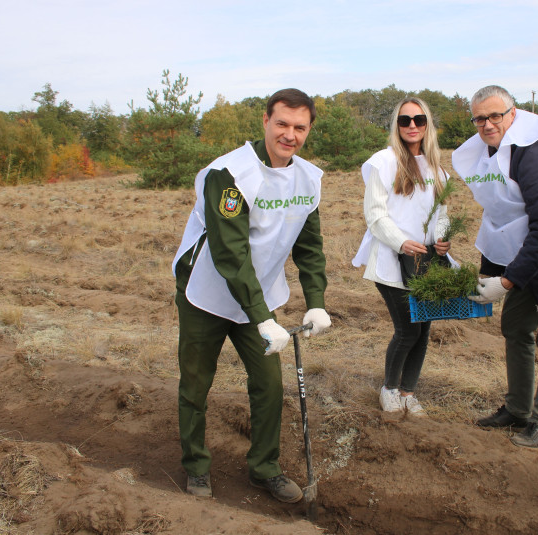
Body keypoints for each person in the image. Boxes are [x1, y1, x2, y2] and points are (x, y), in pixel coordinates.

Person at [171, 88, 331, 503]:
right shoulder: (229, 174)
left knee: (268, 385)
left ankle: (264, 469)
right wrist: (263, 317)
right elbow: (230, 253)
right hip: (205, 293)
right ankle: (196, 467)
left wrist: (315, 299)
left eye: (300, 127)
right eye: (282, 123)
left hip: (257, 297)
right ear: (265, 121)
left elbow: (309, 247)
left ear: (309, 129)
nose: (290, 135)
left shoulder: (308, 179)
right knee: (196, 383)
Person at [451, 85, 538, 449]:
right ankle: (517, 408)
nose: (487, 124)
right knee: (515, 328)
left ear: (512, 113)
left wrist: (507, 281)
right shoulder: (484, 152)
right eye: (479, 118)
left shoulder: (534, 153)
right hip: (520, 257)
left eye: (495, 116)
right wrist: (493, 272)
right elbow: (500, 216)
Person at [352, 97, 451, 417]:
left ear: (427, 125)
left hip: (426, 263)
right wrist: (401, 242)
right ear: (396, 125)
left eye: (419, 120)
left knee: (423, 326)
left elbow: (442, 215)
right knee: (408, 328)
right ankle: (390, 389)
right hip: (392, 258)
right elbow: (376, 214)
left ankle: (409, 392)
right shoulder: (383, 161)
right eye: (405, 120)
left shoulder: (437, 169)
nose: (412, 126)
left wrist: (442, 239)